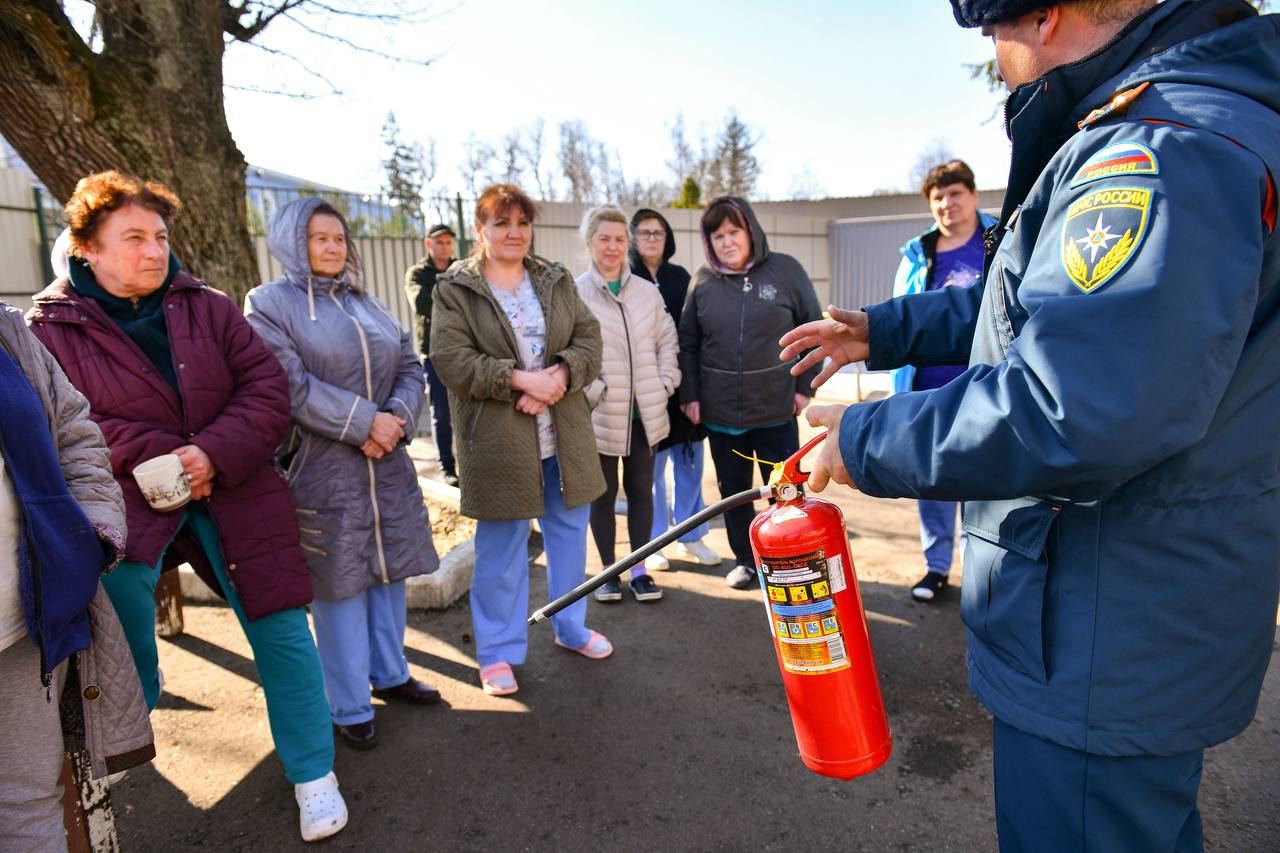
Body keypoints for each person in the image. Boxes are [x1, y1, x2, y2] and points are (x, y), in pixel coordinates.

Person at [780, 1, 1280, 849]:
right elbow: (1033, 300)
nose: (995, 59)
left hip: (1097, 633)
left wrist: (865, 438)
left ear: (1045, 17)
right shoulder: (1174, 112)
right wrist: (884, 328)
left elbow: (1073, 405)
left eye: (991, 36)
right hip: (1128, 615)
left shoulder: (1160, 150)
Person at [29, 173, 347, 842]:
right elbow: (70, 423)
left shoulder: (206, 304)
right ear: (86, 247)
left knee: (282, 626)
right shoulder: (49, 326)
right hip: (127, 499)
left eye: (160, 236)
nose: (153, 250)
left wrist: (207, 454)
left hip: (236, 487)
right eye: (134, 238)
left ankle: (314, 772)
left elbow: (265, 388)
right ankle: (119, 734)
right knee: (117, 618)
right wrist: (162, 457)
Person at [245, 197, 441, 753]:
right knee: (339, 587)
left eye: (338, 238)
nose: (333, 247)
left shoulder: (367, 301)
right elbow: (289, 385)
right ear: (291, 242)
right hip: (324, 470)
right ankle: (348, 703)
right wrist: (366, 424)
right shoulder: (268, 304)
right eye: (318, 238)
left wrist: (397, 421)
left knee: (387, 574)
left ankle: (392, 673)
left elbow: (409, 364)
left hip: (387, 466)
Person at [431, 184, 611, 697]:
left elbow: (588, 339)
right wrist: (519, 381)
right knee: (502, 551)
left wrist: (558, 376)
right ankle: (497, 653)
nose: (514, 233)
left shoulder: (552, 279)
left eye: (522, 224)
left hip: (563, 439)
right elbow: (451, 359)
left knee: (569, 540)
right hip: (500, 444)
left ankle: (571, 627)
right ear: (480, 231)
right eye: (501, 223)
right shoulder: (455, 288)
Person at [0, 300, 153, 852]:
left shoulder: (7, 329)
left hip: (26, 621)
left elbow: (75, 432)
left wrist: (88, 535)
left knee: (28, 801)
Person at [679, 197, 823, 589]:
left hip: (776, 406)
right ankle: (746, 560)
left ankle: (792, 559)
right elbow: (688, 342)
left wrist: (803, 387)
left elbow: (813, 330)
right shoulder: (703, 281)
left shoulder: (785, 270)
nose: (726, 241)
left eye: (734, 231)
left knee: (785, 490)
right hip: (720, 411)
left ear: (751, 231)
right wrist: (690, 395)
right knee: (735, 492)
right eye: (718, 234)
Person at [889, 160, 997, 603]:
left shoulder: (1001, 240)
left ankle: (982, 571)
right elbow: (900, 317)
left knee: (984, 485)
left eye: (955, 193)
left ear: (972, 195)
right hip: (929, 392)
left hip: (986, 388)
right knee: (931, 483)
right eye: (938, 197)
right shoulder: (919, 254)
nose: (947, 204)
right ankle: (936, 568)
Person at [576, 206, 680, 604]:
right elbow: (565, 351)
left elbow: (667, 339)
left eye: (620, 239)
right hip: (599, 414)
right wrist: (591, 390)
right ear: (590, 242)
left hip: (645, 414)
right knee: (602, 496)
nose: (613, 246)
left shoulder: (646, 292)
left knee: (641, 490)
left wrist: (666, 381)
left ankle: (639, 569)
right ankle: (608, 573)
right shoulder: (576, 292)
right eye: (605, 238)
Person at [629, 208, 720, 570]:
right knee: (650, 473)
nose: (653, 239)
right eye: (645, 232)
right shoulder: (626, 277)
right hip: (644, 391)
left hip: (683, 386)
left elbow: (693, 333)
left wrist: (692, 389)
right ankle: (654, 542)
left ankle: (691, 536)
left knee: (690, 464)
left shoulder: (681, 277)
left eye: (659, 233)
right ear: (633, 238)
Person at [405, 223, 460, 487]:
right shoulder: (417, 274)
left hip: (464, 351)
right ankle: (447, 468)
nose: (444, 246)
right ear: (429, 244)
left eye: (449, 242)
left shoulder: (462, 269)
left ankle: (472, 467)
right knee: (442, 414)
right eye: (439, 242)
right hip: (434, 353)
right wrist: (453, 295)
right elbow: (422, 303)